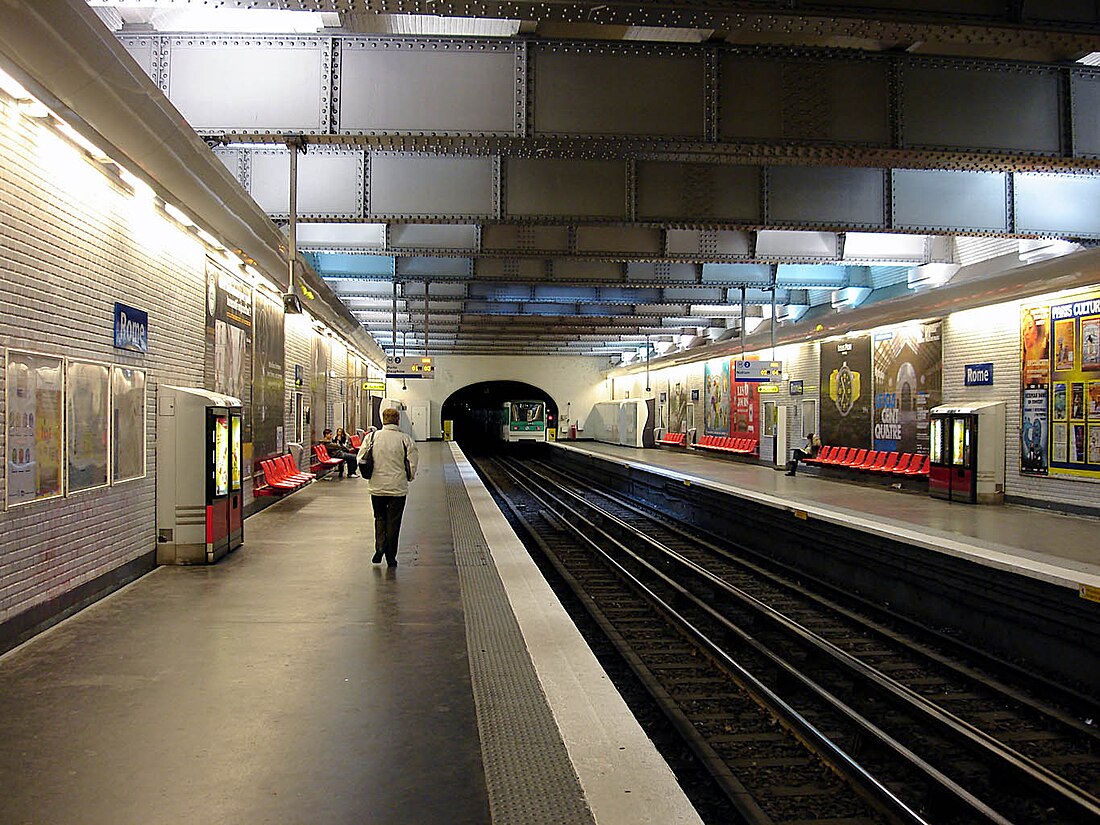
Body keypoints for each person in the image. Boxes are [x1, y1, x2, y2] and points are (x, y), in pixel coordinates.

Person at [357, 408, 419, 567]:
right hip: (397, 488)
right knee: (394, 522)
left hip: (377, 487)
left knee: (379, 518)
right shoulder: (405, 439)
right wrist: (409, 478)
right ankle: (391, 557)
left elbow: (361, 458)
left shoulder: (371, 437)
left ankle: (380, 546)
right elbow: (412, 463)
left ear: (383, 419)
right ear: (398, 420)